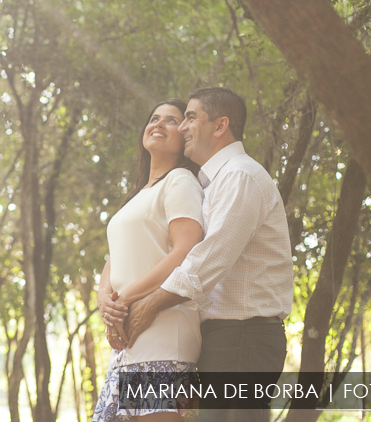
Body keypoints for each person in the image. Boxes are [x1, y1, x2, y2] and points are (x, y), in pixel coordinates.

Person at [120, 87, 294, 421]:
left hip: (245, 339)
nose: (182, 127)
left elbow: (207, 260)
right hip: (226, 340)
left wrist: (147, 306)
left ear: (219, 126)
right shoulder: (214, 184)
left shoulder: (240, 175)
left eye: (190, 117)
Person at [93, 99, 205, 421]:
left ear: (184, 136)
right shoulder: (139, 194)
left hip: (165, 334)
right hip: (129, 339)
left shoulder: (181, 180)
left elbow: (185, 250)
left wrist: (124, 299)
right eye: (154, 118)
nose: (158, 124)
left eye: (171, 120)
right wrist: (105, 299)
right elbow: (113, 258)